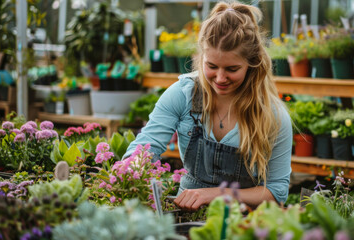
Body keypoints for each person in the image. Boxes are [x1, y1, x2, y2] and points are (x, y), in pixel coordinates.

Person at [124, 1, 292, 211]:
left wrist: (217, 194)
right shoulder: (183, 95)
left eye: (232, 68)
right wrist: (129, 172)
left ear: (252, 63)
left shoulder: (271, 115)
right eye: (211, 66)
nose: (220, 78)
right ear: (201, 57)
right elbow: (147, 146)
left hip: (243, 222)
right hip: (185, 213)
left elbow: (276, 192)